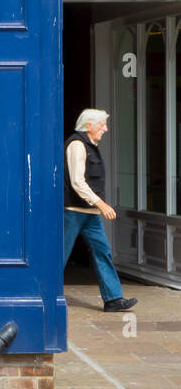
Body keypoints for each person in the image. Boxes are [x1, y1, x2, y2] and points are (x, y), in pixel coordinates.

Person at [63, 110, 137, 312]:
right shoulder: (77, 145)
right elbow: (77, 182)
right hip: (73, 211)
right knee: (60, 254)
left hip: (90, 213)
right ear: (88, 125)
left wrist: (96, 206)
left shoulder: (91, 146)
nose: (105, 129)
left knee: (103, 251)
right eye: (102, 125)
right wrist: (101, 204)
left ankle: (113, 299)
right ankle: (45, 295)